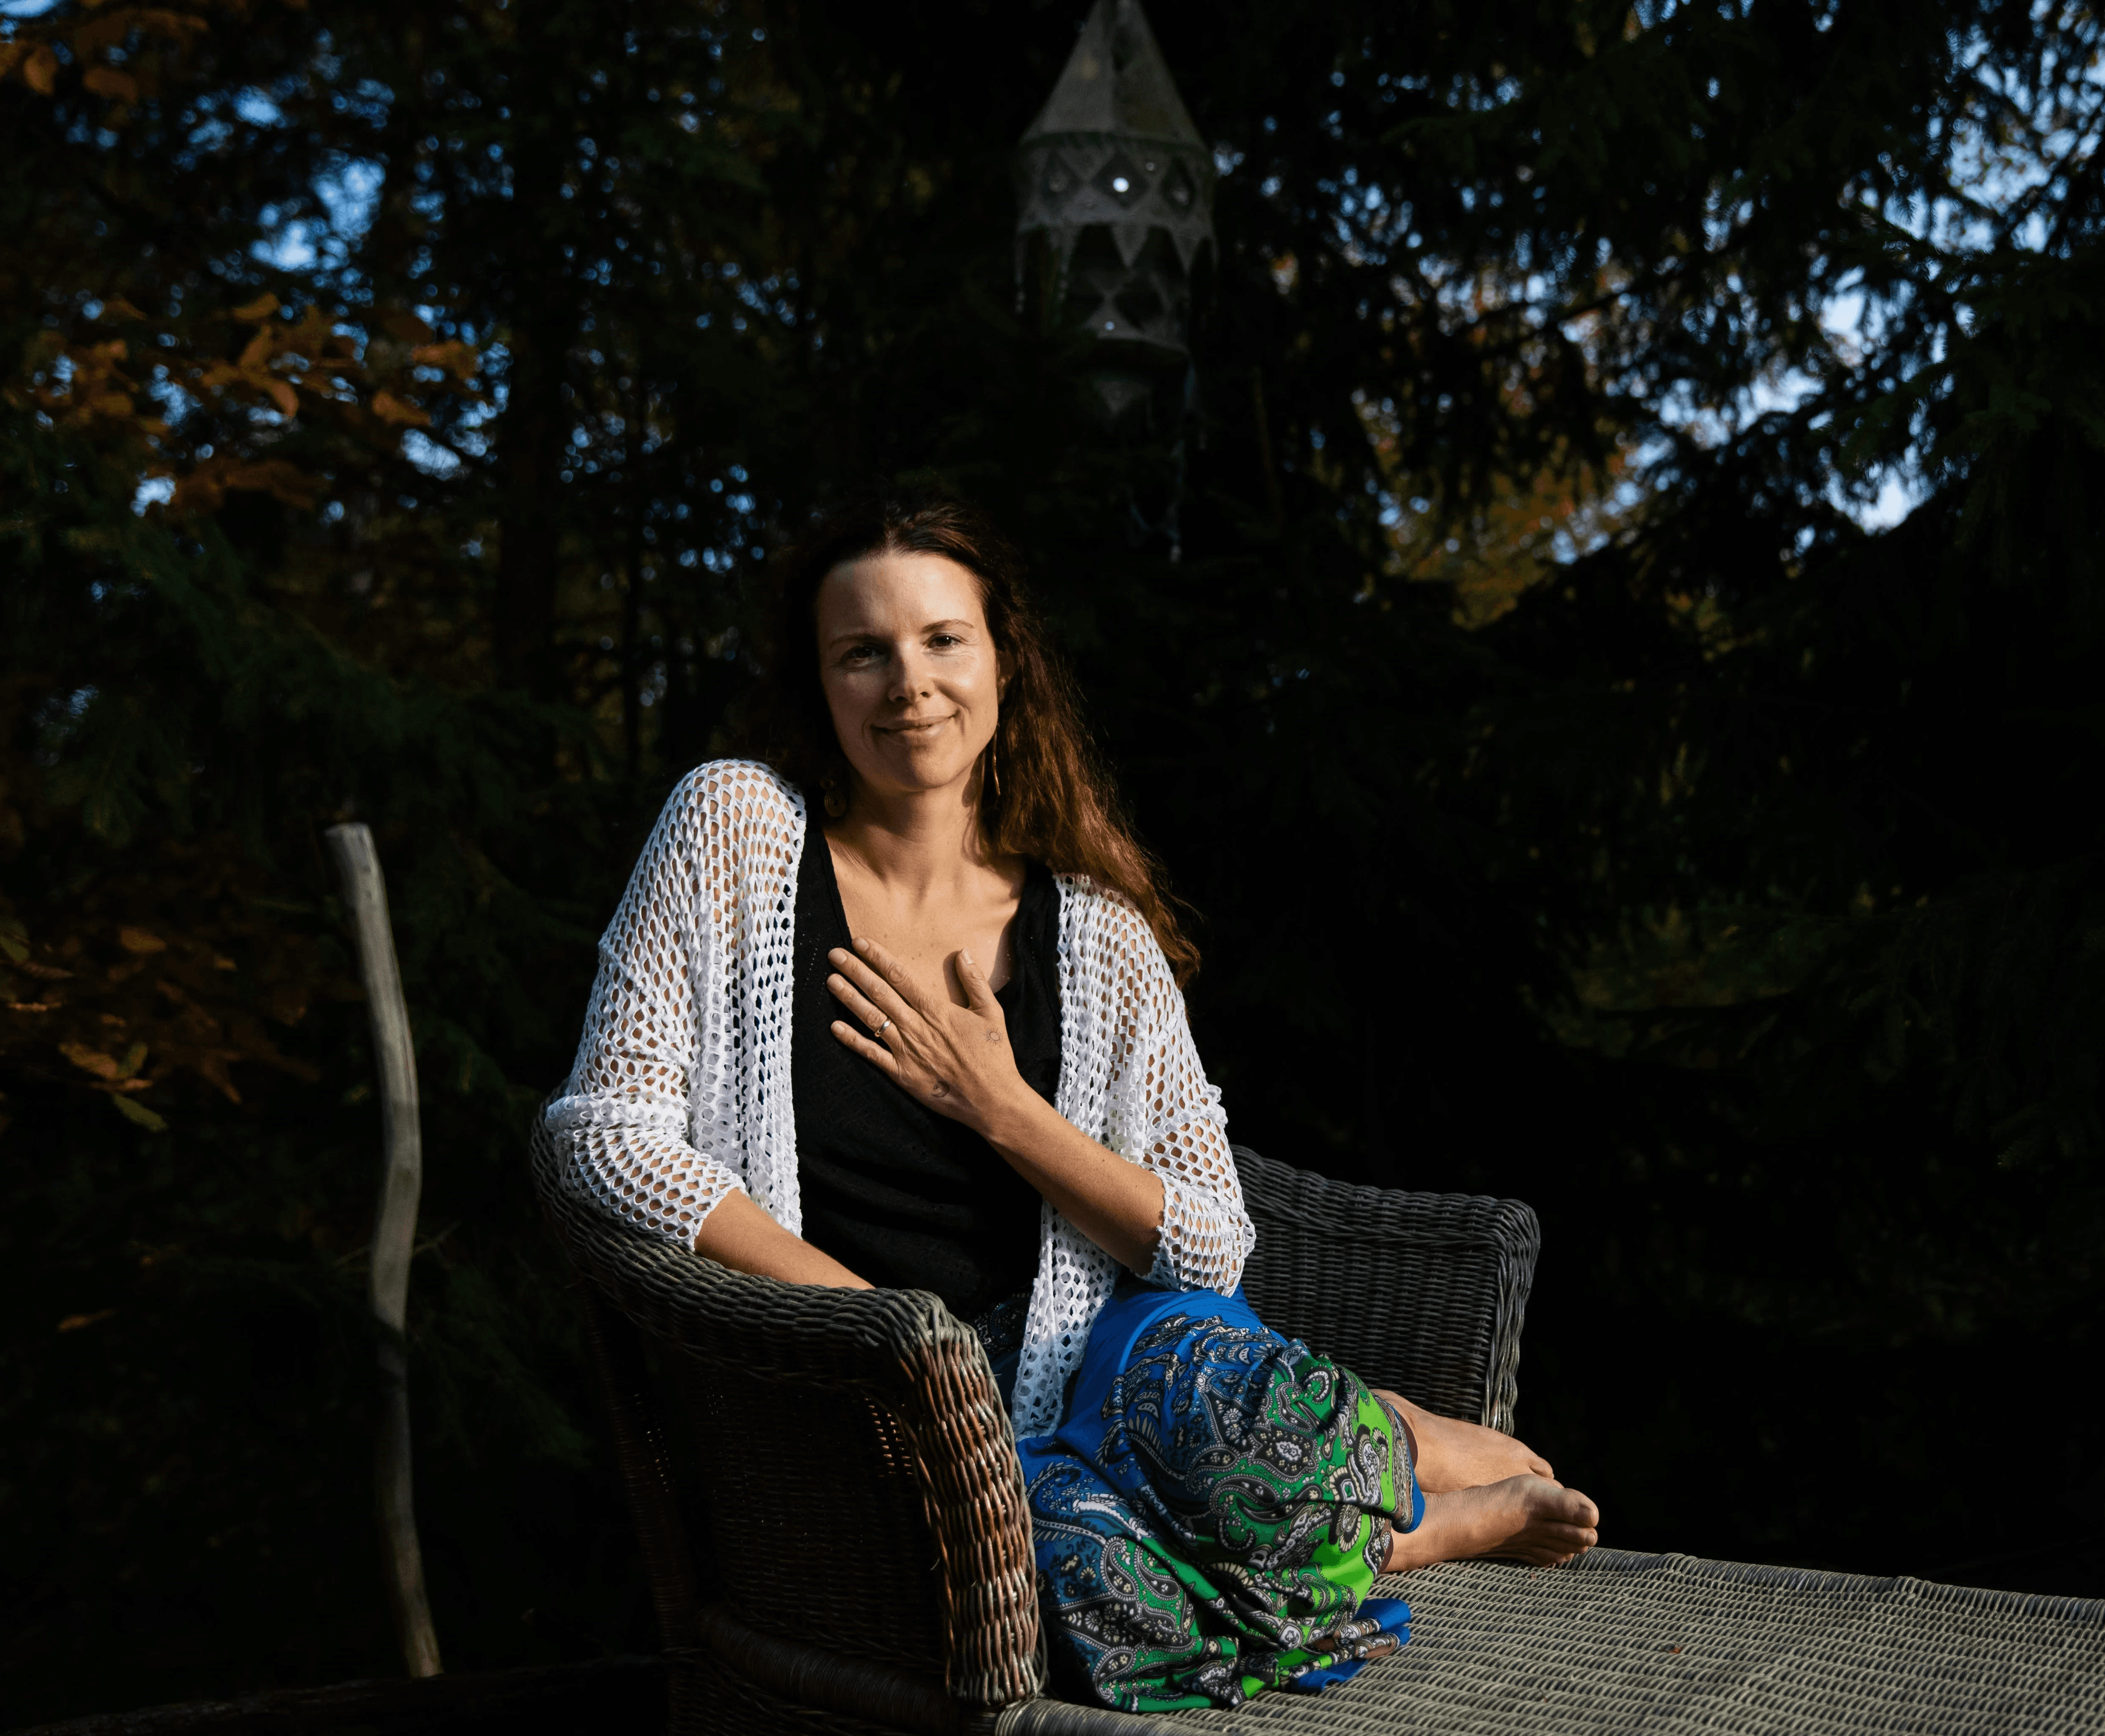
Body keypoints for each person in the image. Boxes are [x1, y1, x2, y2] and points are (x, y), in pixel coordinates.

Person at [546, 491, 1600, 1713]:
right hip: (867, 1382)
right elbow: (603, 1136)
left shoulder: (1095, 932)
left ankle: (1368, 1442)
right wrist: (878, 1322)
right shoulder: (735, 832)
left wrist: (1002, 1108)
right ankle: (1411, 1516)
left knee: (1245, 1428)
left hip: (1093, 1355)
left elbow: (1210, 1240)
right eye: (863, 652)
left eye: (944, 639)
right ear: (819, 685)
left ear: (1003, 664)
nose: (909, 683)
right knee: (1097, 1600)